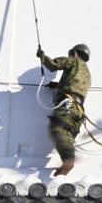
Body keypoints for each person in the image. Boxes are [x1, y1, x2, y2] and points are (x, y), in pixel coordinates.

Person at [36, 43, 92, 176]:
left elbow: (53, 65)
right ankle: (67, 162)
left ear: (75, 53)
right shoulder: (87, 73)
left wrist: (42, 56)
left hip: (68, 104)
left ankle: (68, 161)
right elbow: (74, 84)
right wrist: (58, 85)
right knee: (69, 134)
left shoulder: (73, 60)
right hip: (78, 109)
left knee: (59, 128)